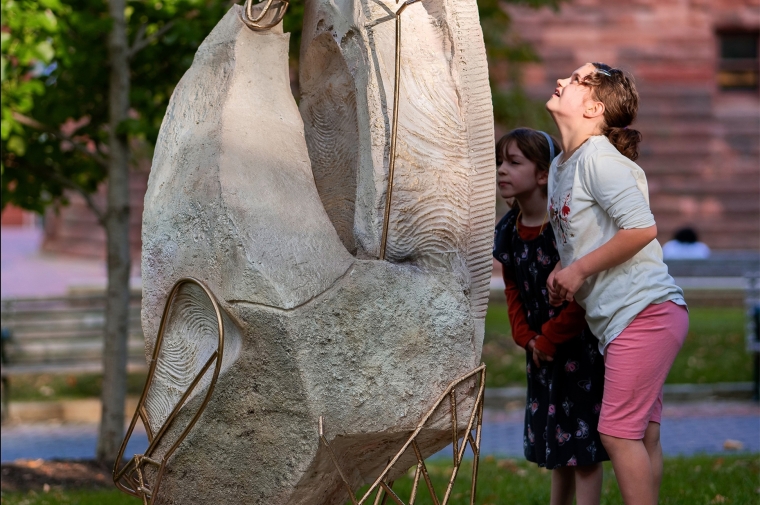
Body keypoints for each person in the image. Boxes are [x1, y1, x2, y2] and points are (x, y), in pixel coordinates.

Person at [545, 62, 688, 505]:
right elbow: (580, 239)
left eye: (575, 81)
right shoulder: (559, 166)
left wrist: (579, 270)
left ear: (594, 108)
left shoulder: (601, 159)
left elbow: (641, 229)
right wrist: (563, 270)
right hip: (626, 318)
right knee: (641, 433)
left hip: (644, 312)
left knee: (616, 434)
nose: (562, 81)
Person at [493, 127, 609, 505]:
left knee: (583, 446)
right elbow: (512, 287)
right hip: (540, 352)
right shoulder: (508, 231)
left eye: (513, 162)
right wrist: (524, 336)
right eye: (499, 162)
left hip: (576, 351)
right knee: (558, 445)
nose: (501, 171)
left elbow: (580, 296)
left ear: (543, 173)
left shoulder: (563, 230)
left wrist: (547, 338)